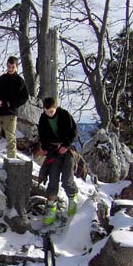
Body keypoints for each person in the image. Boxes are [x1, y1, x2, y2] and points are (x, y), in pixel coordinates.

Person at [37, 96, 79, 225]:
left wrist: (65, 145)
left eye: (51, 111)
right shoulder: (43, 118)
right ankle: (51, 209)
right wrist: (44, 148)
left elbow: (73, 132)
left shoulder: (64, 115)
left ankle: (73, 200)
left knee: (67, 178)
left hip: (67, 149)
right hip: (53, 151)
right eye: (46, 111)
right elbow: (42, 134)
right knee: (53, 179)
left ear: (56, 108)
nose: (49, 113)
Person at [0, 56, 29, 159]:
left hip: (10, 113)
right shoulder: (2, 79)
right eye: (9, 66)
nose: (10, 69)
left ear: (16, 67)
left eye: (12, 67)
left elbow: (25, 97)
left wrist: (11, 104)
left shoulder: (19, 81)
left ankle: (11, 160)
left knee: (10, 137)